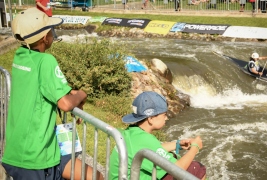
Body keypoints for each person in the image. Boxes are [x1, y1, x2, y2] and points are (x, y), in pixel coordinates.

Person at [1, 8, 103, 180]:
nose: (53, 34)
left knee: (94, 176)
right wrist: (82, 94)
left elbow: (48, 87)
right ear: (44, 38)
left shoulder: (20, 56)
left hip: (20, 150)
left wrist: (73, 94)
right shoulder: (46, 60)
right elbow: (64, 103)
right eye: (51, 30)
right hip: (36, 158)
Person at [109, 91, 206, 180]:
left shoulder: (133, 132)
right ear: (151, 118)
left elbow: (151, 149)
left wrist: (178, 144)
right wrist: (195, 147)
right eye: (164, 115)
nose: (166, 118)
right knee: (198, 169)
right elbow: (178, 169)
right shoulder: (145, 139)